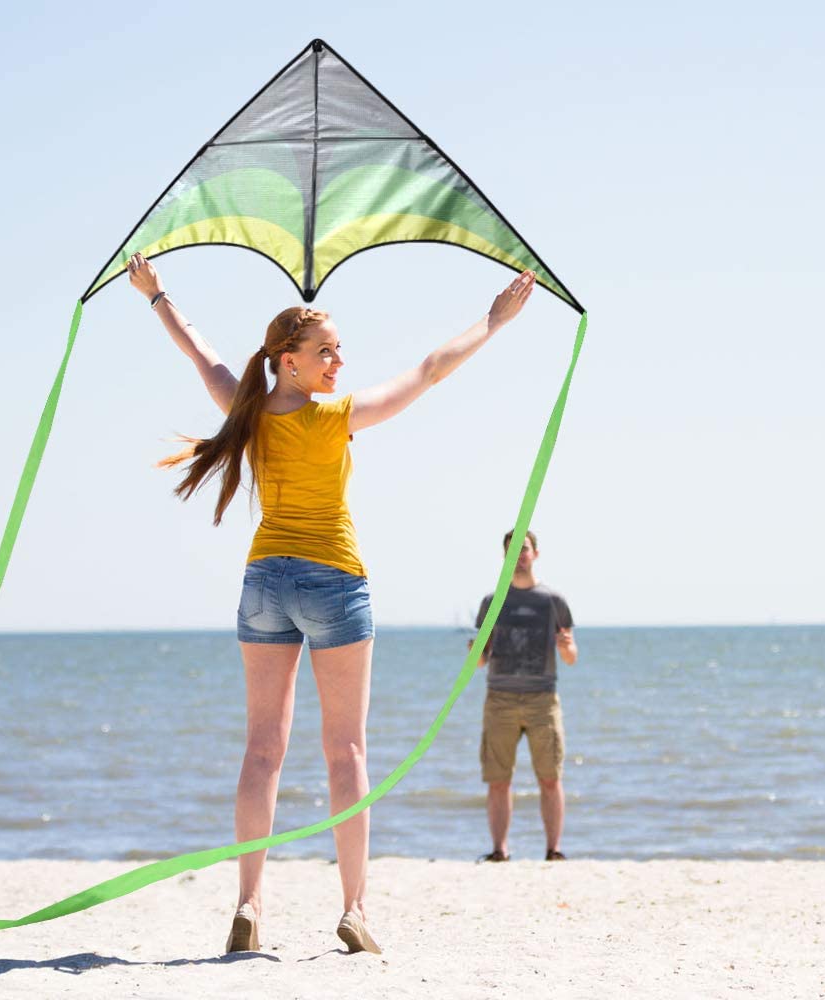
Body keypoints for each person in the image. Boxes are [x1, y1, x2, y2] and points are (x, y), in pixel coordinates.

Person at [126, 251, 536, 954]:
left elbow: (203, 354)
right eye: (325, 352)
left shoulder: (248, 409)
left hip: (264, 585)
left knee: (263, 750)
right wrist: (494, 321)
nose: (338, 363)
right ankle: (354, 910)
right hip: (334, 584)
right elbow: (432, 369)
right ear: (288, 360)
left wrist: (156, 294)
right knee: (345, 751)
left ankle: (251, 902)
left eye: (340, 352)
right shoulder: (335, 416)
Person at [472, 529, 577, 861]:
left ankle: (553, 850)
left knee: (550, 777)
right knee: (498, 780)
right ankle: (499, 850)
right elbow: (479, 661)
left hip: (542, 699)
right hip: (500, 698)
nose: (519, 555)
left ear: (536, 553)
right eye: (513, 550)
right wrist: (475, 651)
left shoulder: (553, 601)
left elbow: (571, 656)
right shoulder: (492, 602)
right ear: (505, 556)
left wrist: (566, 646)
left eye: (525, 549)